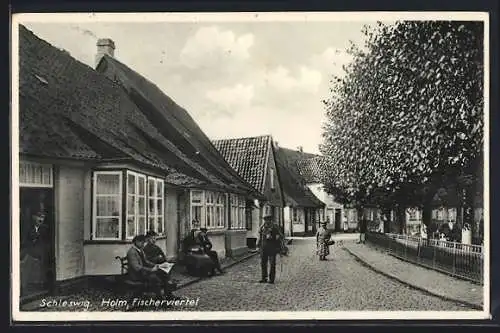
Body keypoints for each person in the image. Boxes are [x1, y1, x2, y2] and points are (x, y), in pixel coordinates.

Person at [257, 214, 283, 284]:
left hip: (272, 248)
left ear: (271, 220)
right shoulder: (262, 227)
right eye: (265, 220)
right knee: (263, 263)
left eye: (268, 220)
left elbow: (280, 236)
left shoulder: (275, 226)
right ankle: (264, 278)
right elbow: (260, 236)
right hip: (263, 248)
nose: (266, 221)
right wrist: (258, 245)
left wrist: (274, 237)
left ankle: (271, 279)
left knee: (272, 264)